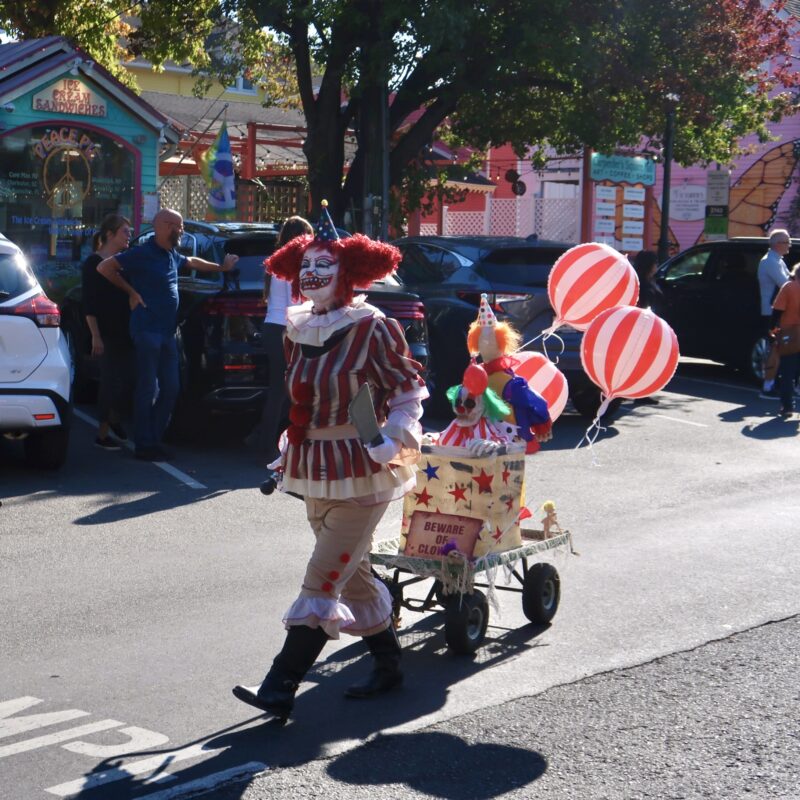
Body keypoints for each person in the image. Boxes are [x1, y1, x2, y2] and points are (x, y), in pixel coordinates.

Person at [232, 202, 428, 723]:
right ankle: (389, 666)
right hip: (314, 467)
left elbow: (409, 390)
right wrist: (286, 453)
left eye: (324, 265)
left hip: (365, 470)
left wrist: (393, 438)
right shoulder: (297, 328)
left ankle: (280, 686)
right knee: (355, 572)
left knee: (322, 578)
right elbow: (304, 403)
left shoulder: (375, 326)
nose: (313, 274)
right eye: (307, 266)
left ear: (347, 273)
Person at [97, 209, 239, 461]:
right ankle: (144, 445)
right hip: (146, 330)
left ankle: (154, 439)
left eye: (182, 227)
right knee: (147, 387)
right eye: (178, 227)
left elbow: (193, 262)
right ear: (163, 226)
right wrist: (131, 291)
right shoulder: (141, 253)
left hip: (167, 332)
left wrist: (222, 267)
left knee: (171, 387)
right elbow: (105, 267)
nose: (181, 231)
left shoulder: (171, 254)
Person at [255, 215, 314, 461]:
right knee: (284, 390)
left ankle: (259, 437)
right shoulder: (295, 265)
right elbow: (299, 301)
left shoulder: (275, 262)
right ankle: (264, 445)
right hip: (287, 330)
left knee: (285, 389)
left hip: (273, 327)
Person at [81, 214, 134, 450]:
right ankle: (102, 434)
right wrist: (95, 335)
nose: (129, 235)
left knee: (128, 380)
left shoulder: (125, 261)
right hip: (106, 331)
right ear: (110, 234)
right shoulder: (93, 263)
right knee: (110, 381)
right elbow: (89, 303)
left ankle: (114, 417)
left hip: (128, 329)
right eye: (125, 231)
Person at [757, 229, 791, 398]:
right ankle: (767, 387)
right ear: (777, 244)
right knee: (775, 349)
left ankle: (778, 384)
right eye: (786, 242)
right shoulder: (770, 262)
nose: (789, 245)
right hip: (772, 312)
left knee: (783, 348)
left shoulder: (778, 260)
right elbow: (786, 284)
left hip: (781, 310)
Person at [769, 263, 800, 417]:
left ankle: (787, 406)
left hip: (790, 334)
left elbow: (777, 310)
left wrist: (772, 329)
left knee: (787, 372)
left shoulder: (789, 287)